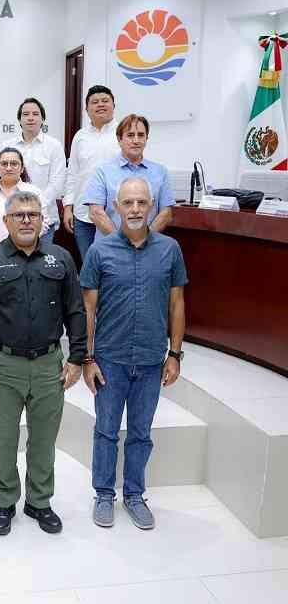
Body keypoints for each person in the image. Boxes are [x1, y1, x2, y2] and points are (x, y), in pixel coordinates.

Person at [0, 191, 86, 536]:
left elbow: (75, 309)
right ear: (6, 221)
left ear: (43, 220)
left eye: (33, 214)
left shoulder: (61, 259)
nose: (27, 220)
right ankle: (5, 501)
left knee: (44, 438)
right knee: (3, 439)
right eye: (19, 215)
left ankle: (39, 501)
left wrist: (77, 356)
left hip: (50, 364)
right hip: (2, 365)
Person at [80, 177, 187, 531]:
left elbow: (177, 303)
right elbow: (88, 310)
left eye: (142, 202)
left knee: (141, 433)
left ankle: (135, 495)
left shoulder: (170, 249)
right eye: (128, 203)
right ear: (117, 207)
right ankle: (105, 495)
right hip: (110, 359)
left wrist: (175, 354)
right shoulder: (100, 251)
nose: (136, 209)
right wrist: (88, 359)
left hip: (151, 358)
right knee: (107, 431)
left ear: (152, 205)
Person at [83, 114, 175, 238]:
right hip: (111, 248)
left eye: (141, 135)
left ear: (146, 139)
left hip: (147, 248)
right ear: (119, 139)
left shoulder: (160, 172)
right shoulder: (103, 172)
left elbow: (166, 214)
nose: (136, 140)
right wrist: (122, 243)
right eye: (130, 135)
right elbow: (95, 213)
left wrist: (144, 241)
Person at [63, 85, 119, 260]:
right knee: (89, 264)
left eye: (105, 101)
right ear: (86, 109)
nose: (100, 105)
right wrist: (67, 207)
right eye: (95, 102)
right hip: (83, 214)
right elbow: (72, 174)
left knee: (115, 263)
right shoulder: (80, 136)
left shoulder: (123, 133)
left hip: (115, 214)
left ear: (113, 105)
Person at [2, 98, 66, 243]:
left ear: (42, 119)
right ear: (19, 119)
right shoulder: (7, 145)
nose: (30, 118)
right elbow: (3, 180)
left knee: (39, 264)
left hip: (44, 219)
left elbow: (57, 183)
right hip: (14, 218)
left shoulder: (54, 146)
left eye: (35, 114)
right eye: (26, 114)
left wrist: (34, 206)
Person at [0, 147, 51, 253]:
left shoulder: (34, 192)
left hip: (26, 254)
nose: (8, 168)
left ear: (21, 169)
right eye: (4, 164)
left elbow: (44, 222)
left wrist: (25, 244)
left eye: (14, 164)